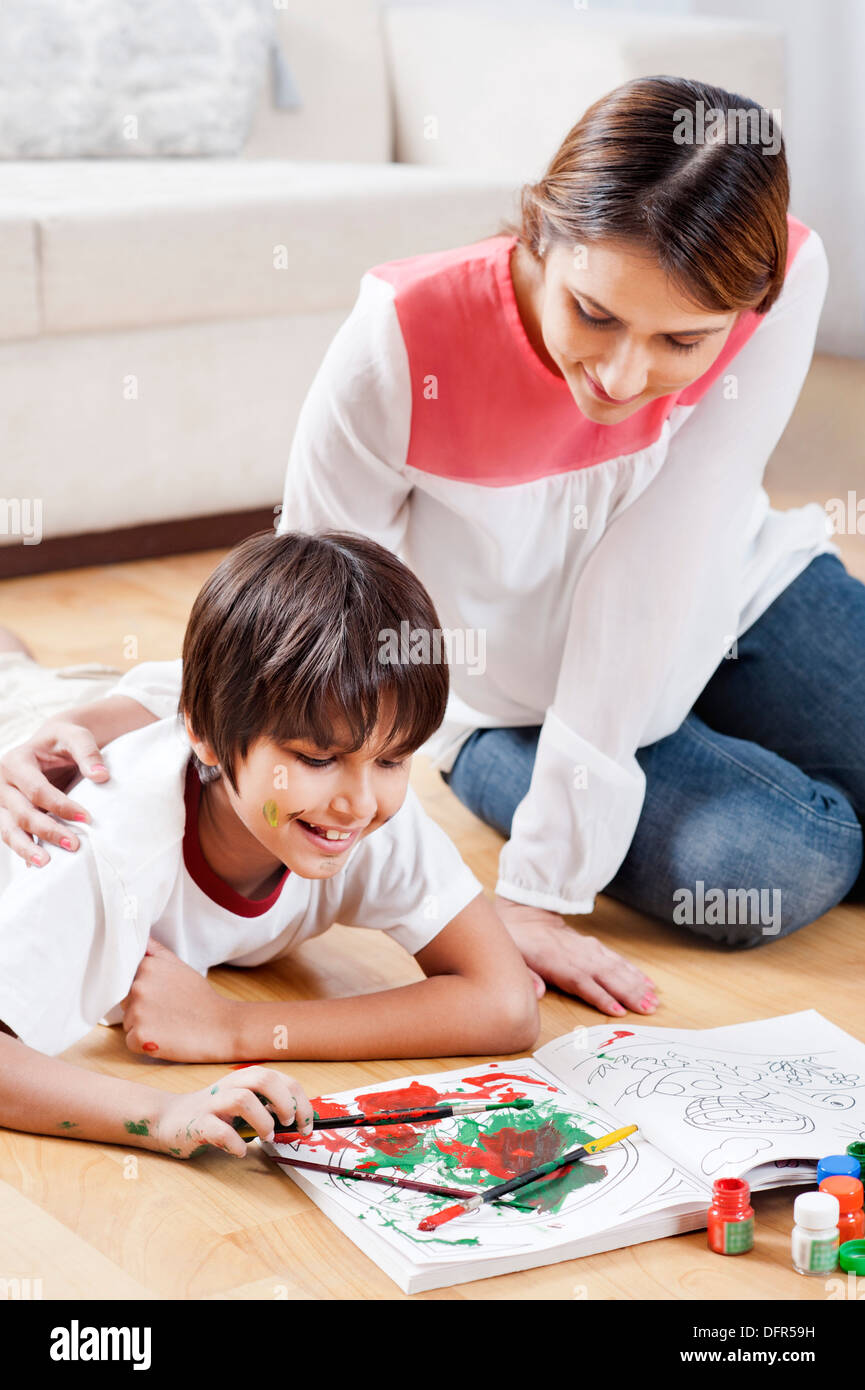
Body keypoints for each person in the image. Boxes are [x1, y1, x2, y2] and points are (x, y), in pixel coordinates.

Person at [2, 76, 856, 1013]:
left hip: (731, 592)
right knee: (784, 860)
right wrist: (537, 888)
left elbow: (659, 559)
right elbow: (306, 619)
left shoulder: (786, 271)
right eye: (594, 314)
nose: (621, 376)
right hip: (514, 700)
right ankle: (504, 760)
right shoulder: (400, 342)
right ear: (538, 231)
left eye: (681, 343)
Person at [0, 531, 538, 1158]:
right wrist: (165, 1114)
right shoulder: (105, 843)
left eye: (394, 759)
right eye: (316, 758)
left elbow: (505, 1004)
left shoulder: (359, 792)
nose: (360, 804)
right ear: (204, 734)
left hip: (155, 705)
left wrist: (232, 1026)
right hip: (36, 726)